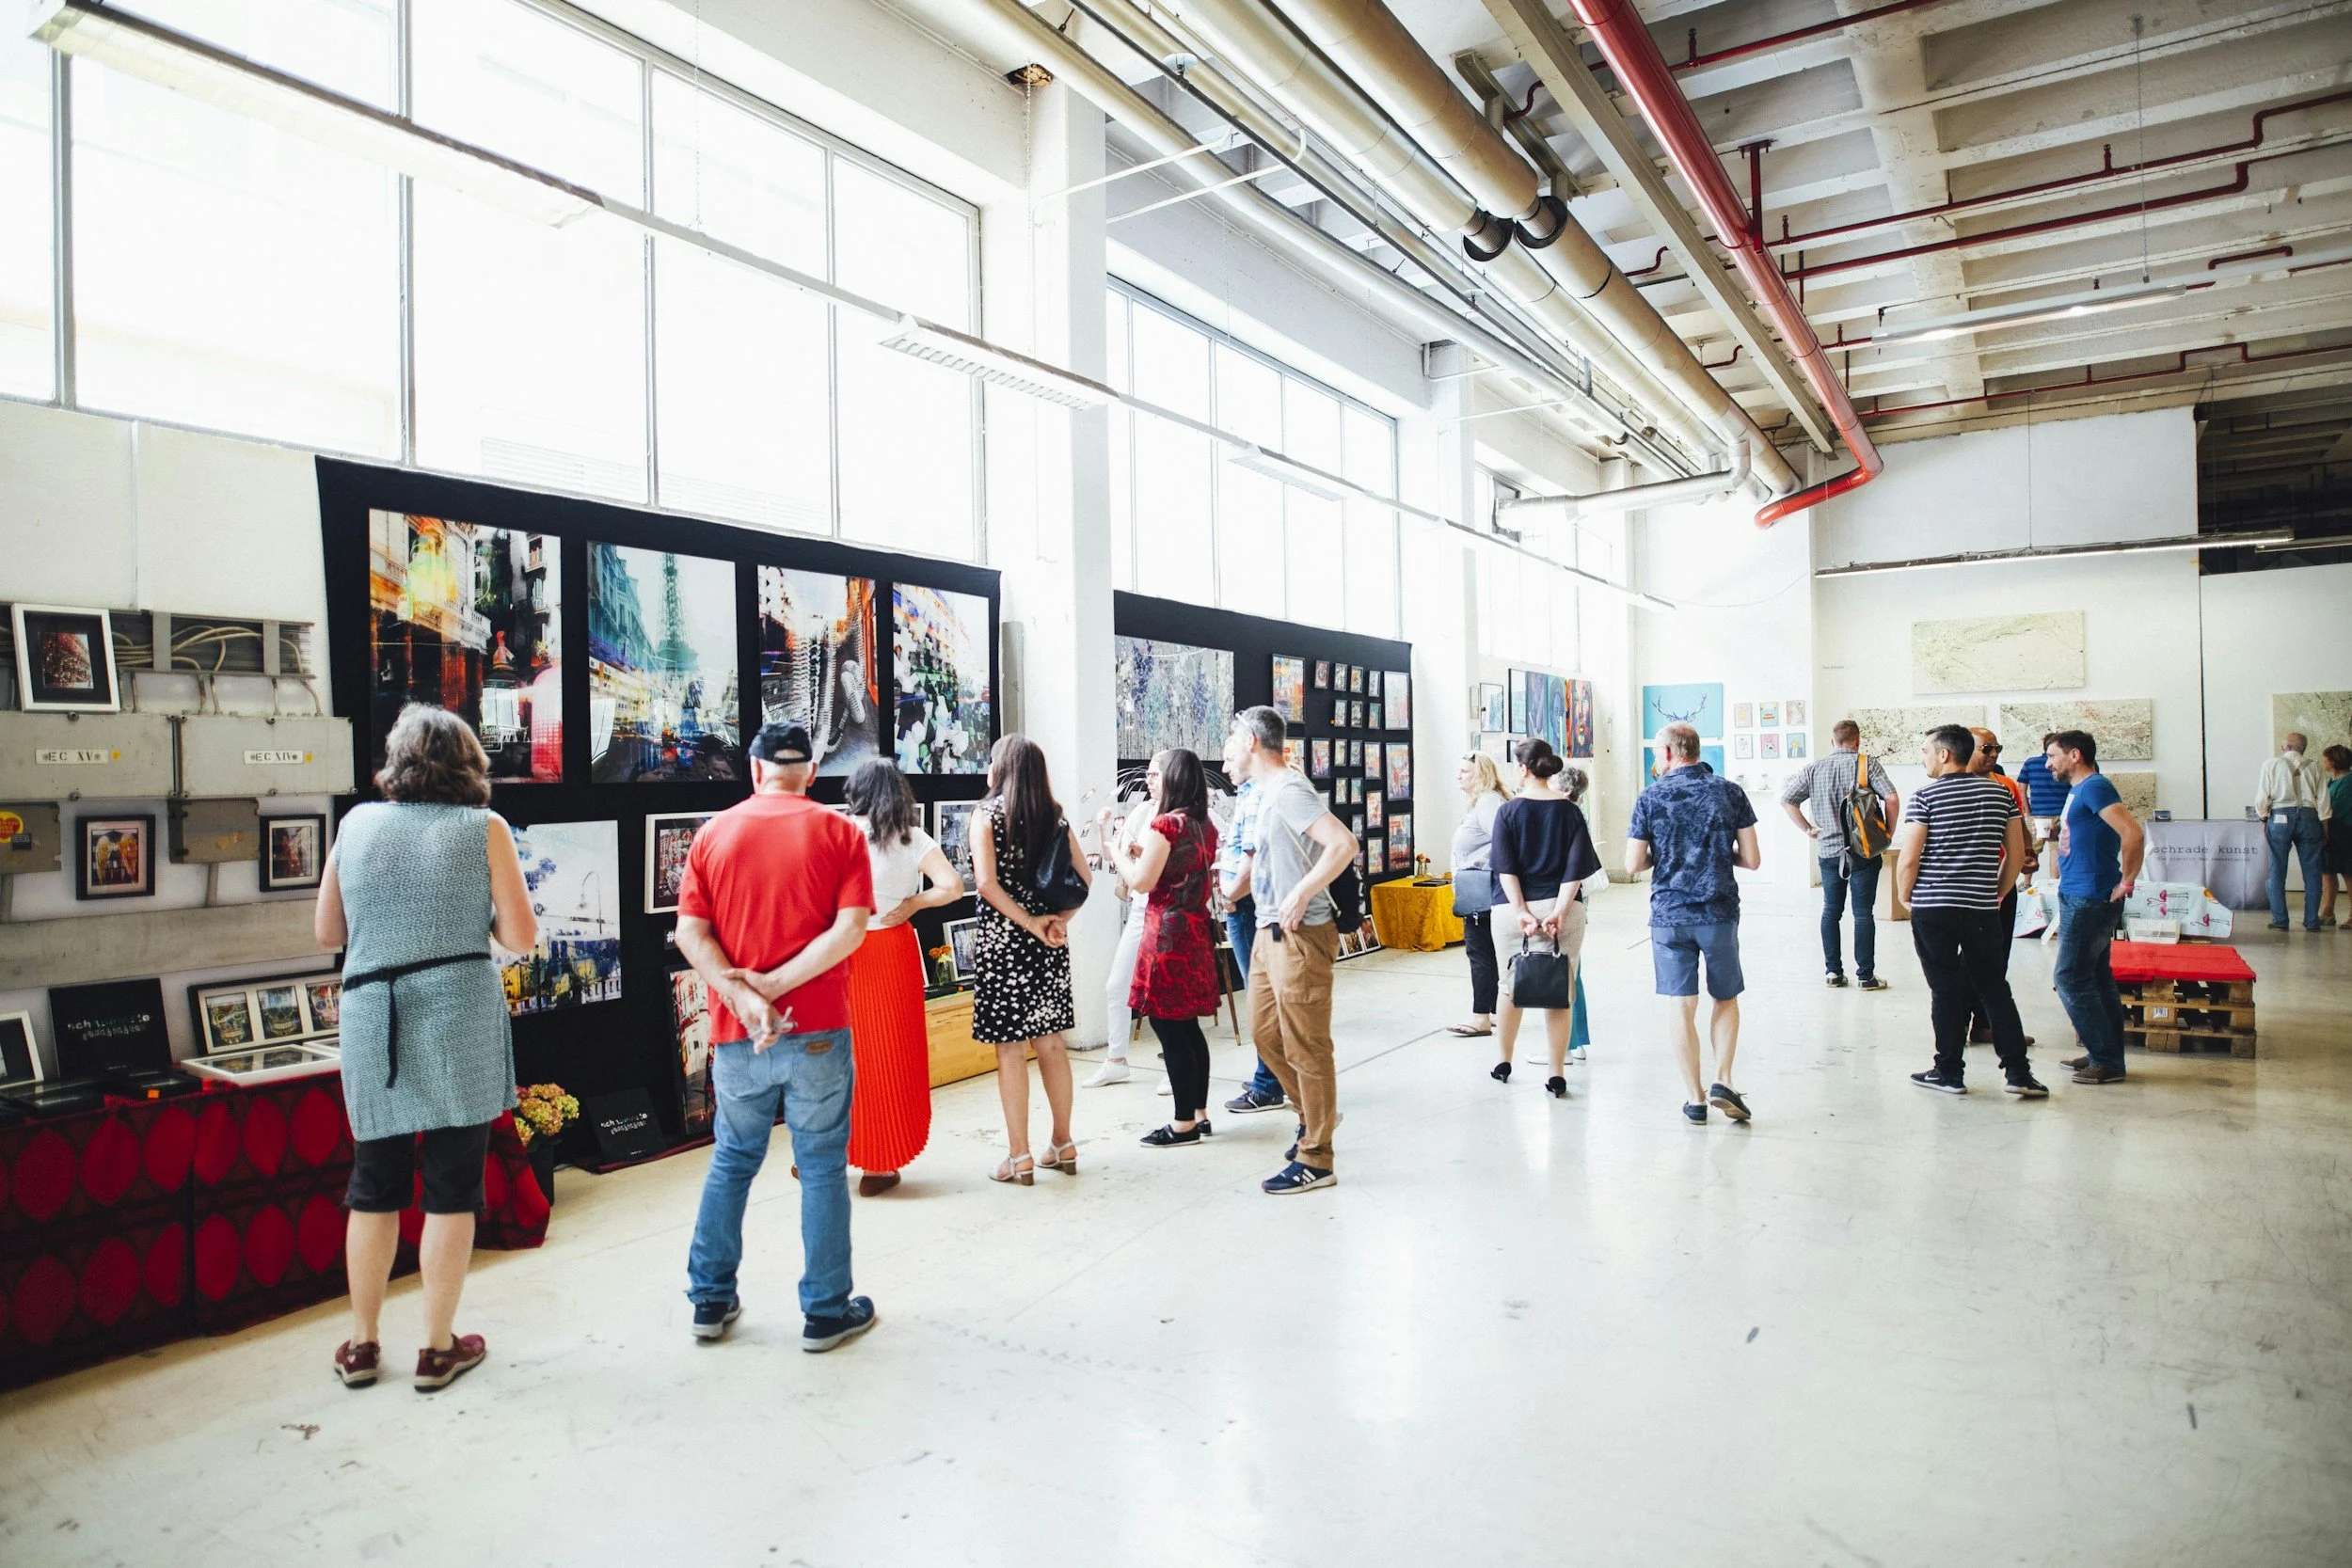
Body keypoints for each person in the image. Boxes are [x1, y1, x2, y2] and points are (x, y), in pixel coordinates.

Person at [316, 705, 538, 1392]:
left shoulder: (355, 825)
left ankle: (361, 1343)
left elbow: (329, 932)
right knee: (451, 1185)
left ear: (397, 762)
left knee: (373, 1182)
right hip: (455, 1015)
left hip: (372, 1012)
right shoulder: (485, 828)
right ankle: (438, 1348)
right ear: (469, 764)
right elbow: (521, 937)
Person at [675, 722, 877, 1351]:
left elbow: (691, 934)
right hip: (818, 1028)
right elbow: (850, 931)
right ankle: (825, 1310)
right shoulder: (841, 831)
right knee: (820, 1165)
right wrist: (779, 988)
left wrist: (745, 996)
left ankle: (710, 1300)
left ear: (755, 769)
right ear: (811, 772)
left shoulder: (712, 834)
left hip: (738, 1034)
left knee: (733, 1157)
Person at [1232, 705, 1357, 1195]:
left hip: (1302, 935)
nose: (1227, 750)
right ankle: (1314, 1114)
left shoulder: (1289, 790)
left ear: (1251, 743)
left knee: (1307, 1043)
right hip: (1268, 931)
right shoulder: (1264, 793)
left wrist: (1303, 890)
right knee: (1266, 1035)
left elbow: (1343, 844)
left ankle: (1317, 1157)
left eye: (1232, 738)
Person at [1896, 725, 2046, 1099]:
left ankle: (1948, 1071)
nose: (1924, 758)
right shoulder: (2001, 795)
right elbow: (2015, 853)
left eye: (1926, 751)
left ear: (1945, 754)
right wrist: (1997, 892)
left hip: (1934, 907)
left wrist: (1904, 896)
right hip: (1981, 908)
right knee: (1995, 988)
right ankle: (2018, 1073)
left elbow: (1910, 858)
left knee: (1944, 990)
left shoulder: (1924, 798)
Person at [840, 759, 964, 1196]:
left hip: (844, 953)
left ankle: (826, 1151)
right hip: (892, 950)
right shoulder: (912, 837)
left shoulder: (838, 832)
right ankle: (881, 1162)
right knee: (892, 1055)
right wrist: (912, 904)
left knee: (843, 1056)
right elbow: (952, 887)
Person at [970, 734, 1090, 1183]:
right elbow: (1086, 877)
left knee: (1010, 1051)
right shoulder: (1055, 817)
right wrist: (1057, 921)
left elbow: (986, 883)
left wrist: (1027, 922)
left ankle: (1018, 1156)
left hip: (1004, 944)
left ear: (1000, 769)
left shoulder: (986, 815)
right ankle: (1063, 1141)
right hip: (1047, 945)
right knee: (1052, 1043)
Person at [1628, 722, 1760, 1125]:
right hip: (1718, 912)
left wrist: (1665, 857)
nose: (1655, 760)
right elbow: (1752, 859)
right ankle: (1723, 1079)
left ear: (1668, 752)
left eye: (1655, 753)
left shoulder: (1650, 797)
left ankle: (1696, 1098)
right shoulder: (1730, 792)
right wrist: (1720, 854)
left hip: (1669, 915)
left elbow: (1633, 864)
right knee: (1725, 997)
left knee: (1681, 1005)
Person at [1488, 739, 1603, 1098]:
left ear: (1522, 770)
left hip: (1511, 911)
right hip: (1564, 909)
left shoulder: (1508, 812)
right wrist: (1559, 910)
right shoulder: (1570, 812)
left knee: (1509, 985)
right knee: (1559, 988)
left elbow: (1506, 869)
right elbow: (1575, 870)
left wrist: (1522, 910)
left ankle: (1504, 1061)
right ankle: (1556, 1073)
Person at [1123, 749, 1223, 1147]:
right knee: (1188, 1027)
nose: (1149, 780)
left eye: (1156, 774)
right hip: (1194, 932)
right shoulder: (1204, 824)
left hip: (1166, 935)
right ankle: (1199, 1114)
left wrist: (1118, 853)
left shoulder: (1165, 824)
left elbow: (1142, 883)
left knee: (1168, 1025)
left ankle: (1183, 1124)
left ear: (1174, 778)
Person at [2044, 730, 2144, 1085]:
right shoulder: (2080, 790)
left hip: (2089, 896)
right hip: (2079, 892)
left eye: (2053, 755)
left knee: (2069, 976)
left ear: (2075, 755)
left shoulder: (2094, 786)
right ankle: (2104, 1053)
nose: (2048, 763)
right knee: (2096, 978)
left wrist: (2127, 882)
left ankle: (2107, 1060)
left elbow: (2132, 833)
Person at [1779, 718, 1897, 990]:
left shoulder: (1814, 768)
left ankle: (1833, 973)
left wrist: (1808, 829)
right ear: (1857, 741)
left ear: (1832, 741)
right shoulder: (1867, 764)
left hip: (1829, 851)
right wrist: (1887, 833)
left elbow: (1787, 800)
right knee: (1863, 914)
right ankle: (1866, 977)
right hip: (1865, 852)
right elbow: (1890, 798)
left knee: (1831, 911)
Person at [1084, 753, 1166, 1087]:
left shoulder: (1179, 816)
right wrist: (1105, 828)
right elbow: (1112, 856)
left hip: (1168, 913)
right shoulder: (1142, 811)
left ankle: (1177, 1069)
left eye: (1156, 774)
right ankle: (1116, 1059)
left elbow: (1164, 864)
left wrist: (1133, 851)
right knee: (1117, 985)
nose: (1149, 779)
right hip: (1139, 911)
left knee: (1164, 994)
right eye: (1147, 773)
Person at [1219, 730, 1290, 1115]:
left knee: (1262, 1002)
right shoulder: (1251, 795)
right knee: (1262, 998)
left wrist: (1230, 895)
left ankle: (1268, 1085)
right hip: (1245, 906)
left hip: (1247, 908)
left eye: (1230, 759)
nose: (1226, 767)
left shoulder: (1257, 797)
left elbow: (1251, 856)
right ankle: (1271, 1073)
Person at [1964, 727, 2034, 1048]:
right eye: (1987, 748)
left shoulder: (2005, 786)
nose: (1993, 754)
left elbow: (2018, 831)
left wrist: (2028, 856)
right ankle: (1957, 1026)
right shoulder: (1948, 789)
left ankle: (1986, 1024)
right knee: (1965, 961)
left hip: (2001, 886)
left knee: (1998, 956)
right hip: (1966, 889)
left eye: (1997, 748)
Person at [1445, 752, 1511, 1039]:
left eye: (1465, 772)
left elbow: (1505, 843)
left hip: (1483, 887)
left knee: (1479, 951)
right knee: (1486, 951)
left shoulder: (1488, 803)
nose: (1459, 776)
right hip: (1478, 886)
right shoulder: (1481, 803)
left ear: (1481, 774)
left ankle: (1481, 1017)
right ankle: (1492, 1012)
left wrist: (1485, 865)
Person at [2256, 731, 2332, 931]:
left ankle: (2280, 920)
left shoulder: (2271, 764)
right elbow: (2324, 800)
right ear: (2303, 748)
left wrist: (2264, 816)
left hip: (2280, 816)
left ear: (2286, 747)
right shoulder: (2315, 767)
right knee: (2313, 872)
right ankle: (2312, 921)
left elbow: (2262, 796)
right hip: (2310, 817)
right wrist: (2324, 828)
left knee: (2277, 870)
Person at [1560, 767, 1599, 1063]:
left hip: (1567, 903)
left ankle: (1567, 1043)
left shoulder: (1564, 818)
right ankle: (1577, 1041)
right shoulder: (1577, 816)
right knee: (1576, 971)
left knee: (1564, 973)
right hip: (1579, 903)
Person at [2017, 732, 2070, 874]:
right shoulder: (2065, 763)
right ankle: (2054, 883)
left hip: (2038, 814)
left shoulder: (2030, 763)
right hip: (2061, 813)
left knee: (2031, 850)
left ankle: (2026, 883)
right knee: (2057, 849)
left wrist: (2028, 812)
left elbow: (2021, 789)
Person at [2320, 745, 2352, 929]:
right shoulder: (2331, 780)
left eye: (2325, 759)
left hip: (2345, 832)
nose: (2323, 762)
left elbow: (2337, 808)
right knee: (2327, 872)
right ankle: (2327, 912)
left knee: (2349, 874)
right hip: (2331, 832)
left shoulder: (2348, 782)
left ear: (2332, 761)